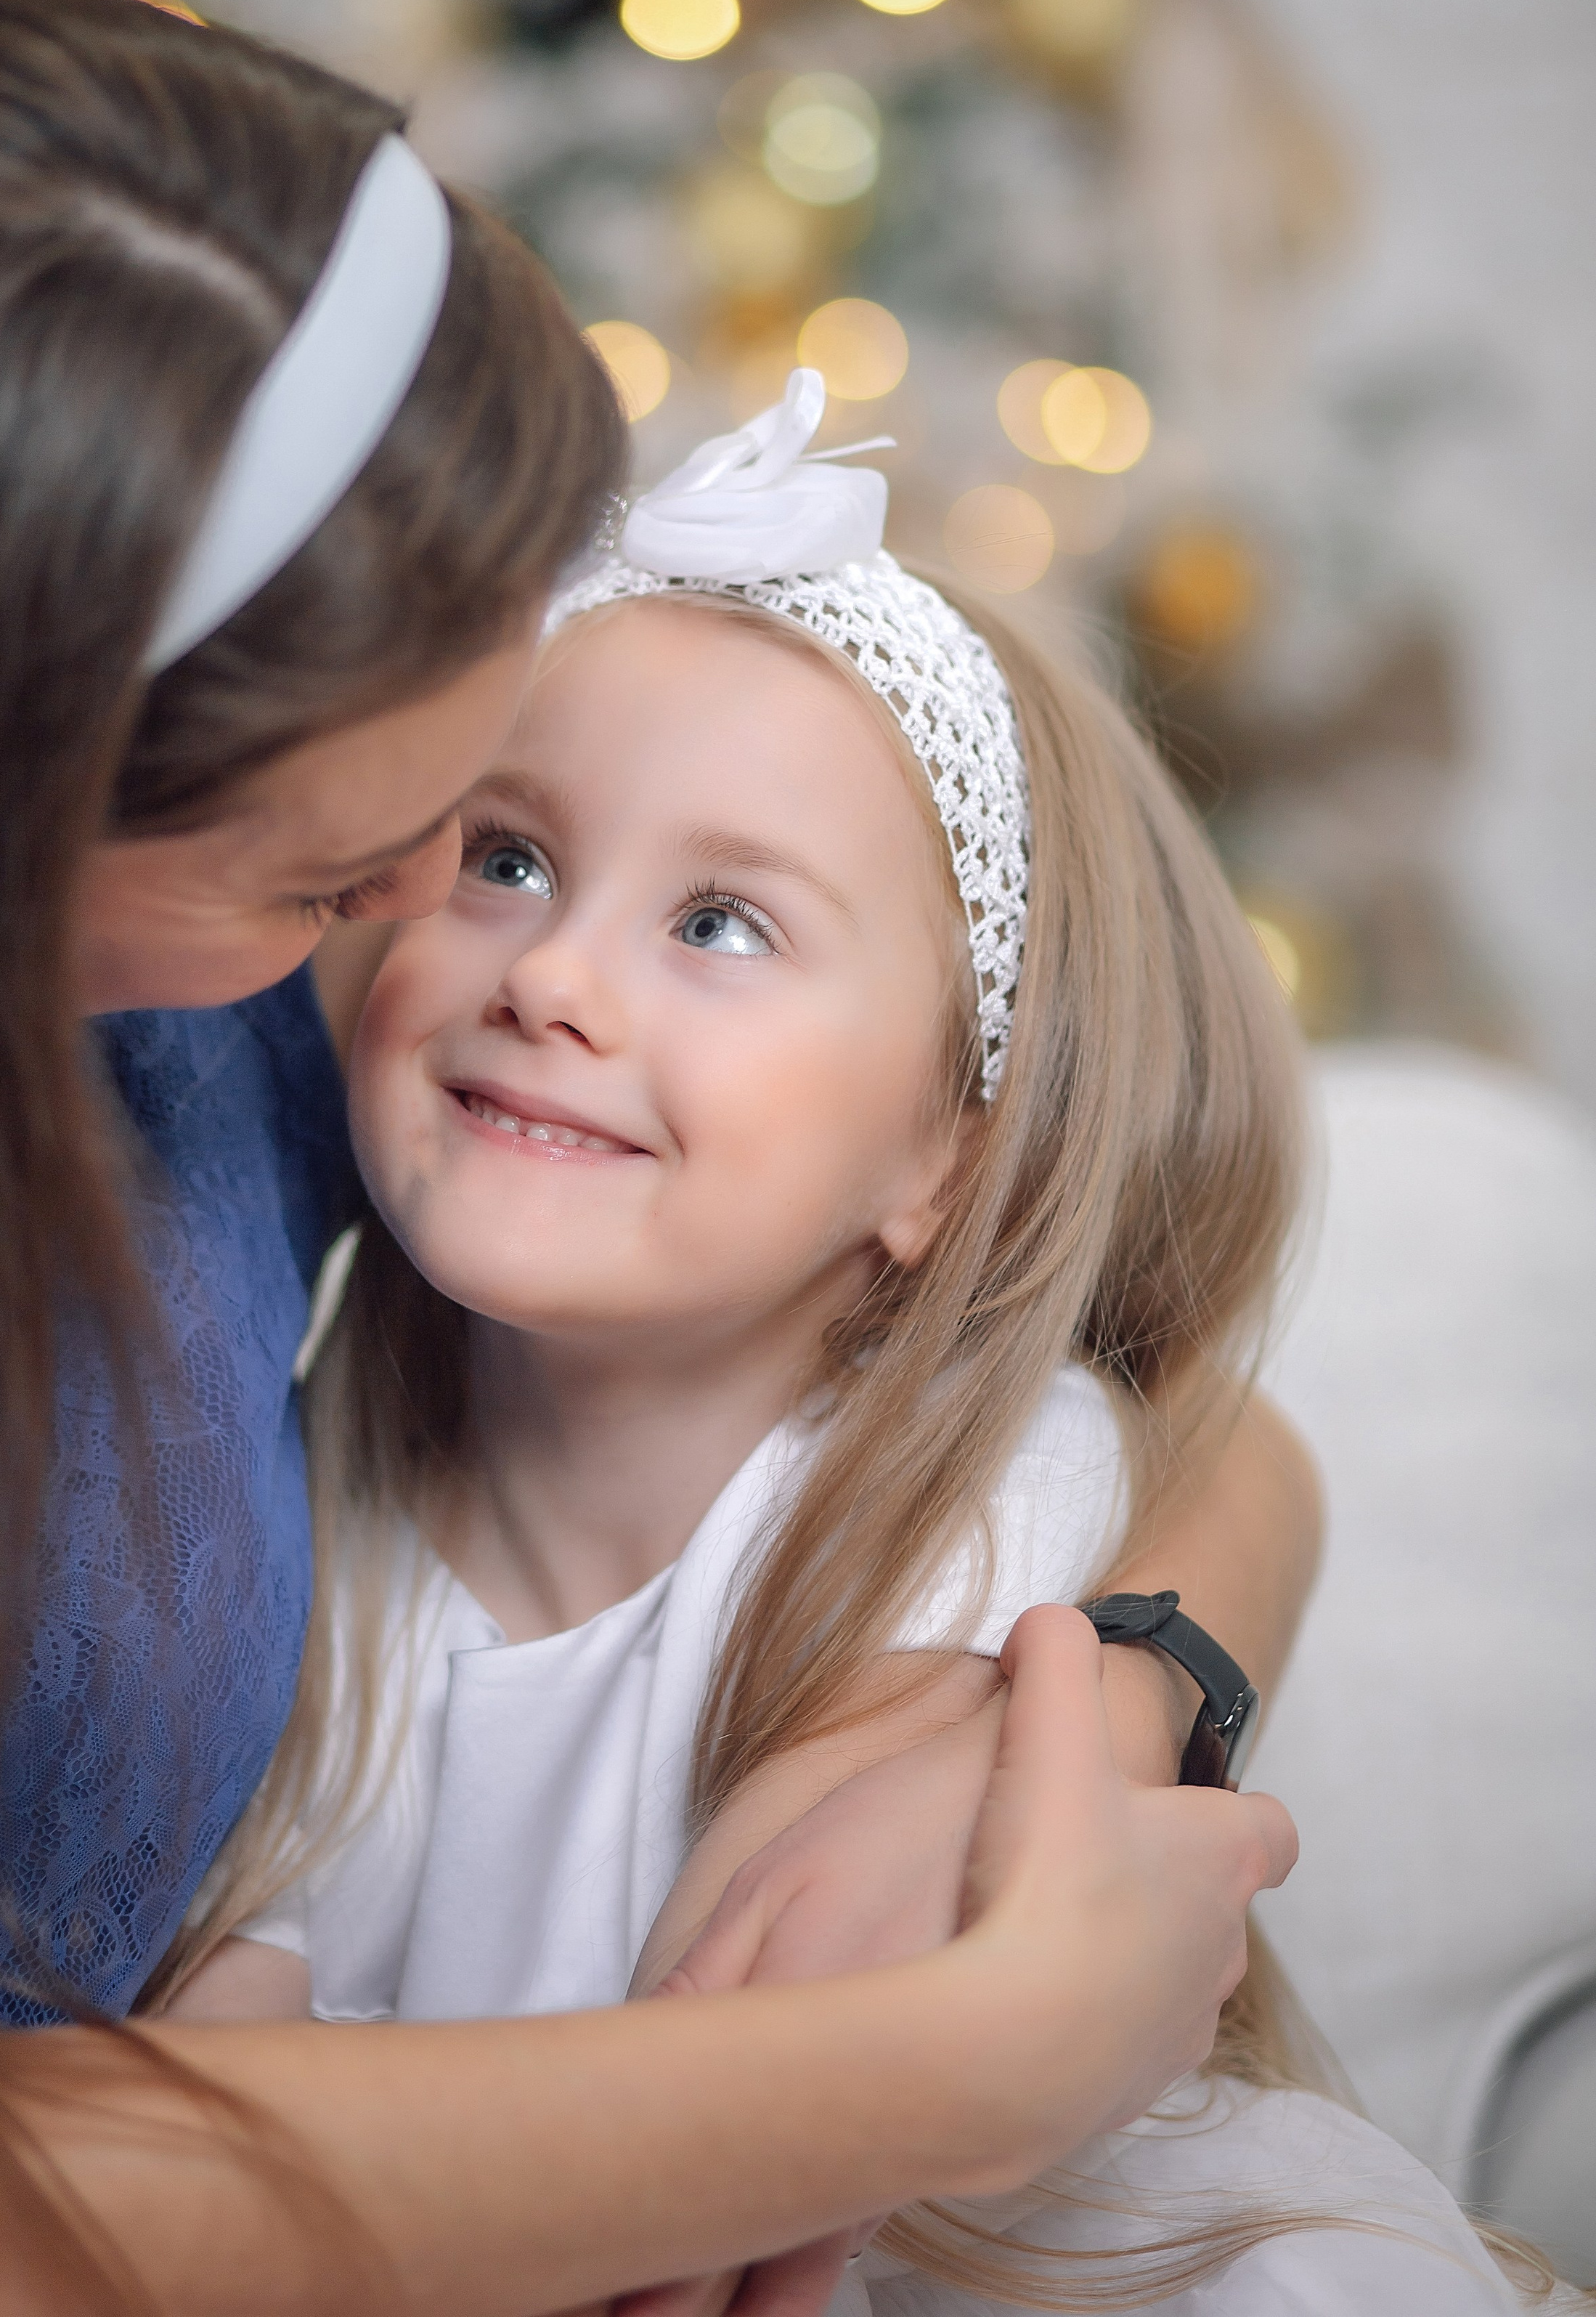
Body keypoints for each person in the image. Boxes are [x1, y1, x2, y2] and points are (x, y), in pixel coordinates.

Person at [0, 0, 1295, 2314]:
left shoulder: (238, 1036)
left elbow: (1159, 1416)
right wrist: (980, 2048)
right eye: (429, 849)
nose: (436, 922)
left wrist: (1078, 1691)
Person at [176, 380, 1526, 2312]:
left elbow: (806, 2091)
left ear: (942, 1149)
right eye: (509, 859)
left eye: (720, 922)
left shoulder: (983, 1491)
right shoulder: (298, 1504)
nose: (549, 976)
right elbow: (222, 2099)